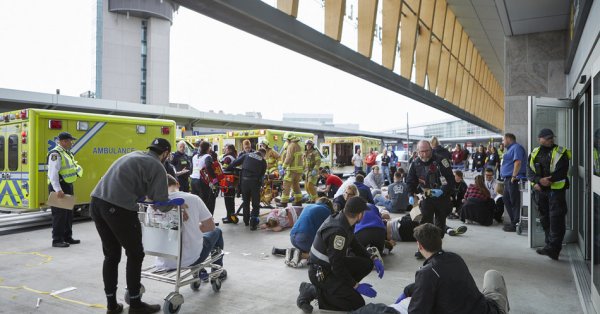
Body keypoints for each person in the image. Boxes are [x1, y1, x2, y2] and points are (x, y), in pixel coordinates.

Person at [90, 138, 175, 314]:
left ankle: (112, 305)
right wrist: (175, 203)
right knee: (135, 253)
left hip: (96, 202)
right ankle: (135, 305)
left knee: (112, 254)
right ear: (165, 153)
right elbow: (161, 203)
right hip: (117, 208)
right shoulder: (158, 166)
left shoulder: (134, 155)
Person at [296, 197, 384, 313]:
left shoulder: (345, 220)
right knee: (356, 304)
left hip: (330, 265)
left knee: (367, 264)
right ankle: (311, 290)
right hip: (320, 272)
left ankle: (341, 289)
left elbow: (354, 243)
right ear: (359, 214)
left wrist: (372, 258)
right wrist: (355, 285)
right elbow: (336, 266)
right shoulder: (338, 231)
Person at [399, 223, 509, 313]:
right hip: (485, 309)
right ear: (440, 241)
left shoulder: (426, 273)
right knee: (492, 274)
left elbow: (417, 311)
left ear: (420, 246)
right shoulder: (455, 258)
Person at [154, 175, 226, 281]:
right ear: (178, 183)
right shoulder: (193, 198)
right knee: (217, 231)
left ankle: (199, 270)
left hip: (164, 259)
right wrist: (194, 229)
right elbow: (210, 226)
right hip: (191, 257)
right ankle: (216, 273)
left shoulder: (153, 205)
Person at [527, 128, 571, 260]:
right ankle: (549, 245)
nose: (550, 140)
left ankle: (554, 249)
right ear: (539, 139)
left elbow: (562, 171)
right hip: (540, 192)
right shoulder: (534, 152)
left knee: (556, 219)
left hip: (556, 192)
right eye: (547, 138)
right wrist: (537, 181)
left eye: (551, 137)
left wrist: (548, 181)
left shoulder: (560, 152)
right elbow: (529, 171)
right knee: (545, 219)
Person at [406, 140, 455, 235]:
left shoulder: (441, 160)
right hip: (426, 196)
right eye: (422, 152)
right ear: (417, 151)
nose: (424, 154)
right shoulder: (415, 163)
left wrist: (442, 190)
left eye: (427, 151)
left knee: (440, 224)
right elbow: (410, 181)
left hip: (441, 197)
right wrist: (410, 194)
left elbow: (450, 179)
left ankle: (438, 247)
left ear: (431, 149)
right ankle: (424, 247)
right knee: (425, 223)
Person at [273, 198, 334, 267]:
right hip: (304, 239)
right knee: (323, 255)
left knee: (307, 244)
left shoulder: (308, 206)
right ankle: (301, 255)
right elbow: (328, 231)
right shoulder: (327, 211)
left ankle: (289, 252)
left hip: (293, 238)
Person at [48, 132, 83, 248]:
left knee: (68, 214)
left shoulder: (66, 153)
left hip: (67, 185)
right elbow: (53, 174)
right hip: (59, 187)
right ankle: (57, 240)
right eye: (69, 140)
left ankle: (68, 237)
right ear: (63, 141)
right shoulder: (55, 154)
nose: (71, 142)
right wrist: (58, 189)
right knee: (59, 215)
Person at [226, 148, 267, 230]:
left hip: (244, 182)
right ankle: (253, 223)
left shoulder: (247, 155)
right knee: (255, 204)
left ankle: (246, 221)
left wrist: (227, 169)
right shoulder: (263, 161)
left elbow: (234, 163)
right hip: (255, 183)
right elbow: (262, 175)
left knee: (246, 201)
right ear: (263, 155)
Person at [499, 133, 527, 232]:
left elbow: (518, 162)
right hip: (508, 179)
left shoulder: (516, 147)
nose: (502, 142)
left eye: (503, 140)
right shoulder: (510, 149)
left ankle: (515, 224)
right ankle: (513, 222)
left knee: (514, 202)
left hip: (513, 179)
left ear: (508, 139)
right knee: (506, 199)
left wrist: (514, 176)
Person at [191, 141, 217, 215]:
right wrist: (214, 180)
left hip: (193, 180)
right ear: (208, 148)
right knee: (207, 201)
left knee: (196, 201)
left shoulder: (194, 157)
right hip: (202, 182)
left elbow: (191, 168)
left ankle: (197, 219)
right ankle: (208, 220)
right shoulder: (207, 157)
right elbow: (209, 167)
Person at [279, 133, 304, 207]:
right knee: (296, 185)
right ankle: (298, 201)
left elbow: (289, 158)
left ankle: (283, 202)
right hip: (298, 170)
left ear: (289, 139)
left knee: (286, 185)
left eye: (286, 139)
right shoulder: (298, 145)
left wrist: (283, 167)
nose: (286, 141)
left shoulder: (291, 146)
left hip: (292, 170)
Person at [220, 144, 239, 224]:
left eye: (226, 148)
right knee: (231, 199)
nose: (224, 149)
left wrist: (221, 163)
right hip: (232, 180)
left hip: (227, 180)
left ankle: (229, 217)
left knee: (227, 199)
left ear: (229, 149)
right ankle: (231, 215)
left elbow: (225, 167)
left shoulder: (228, 157)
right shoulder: (234, 156)